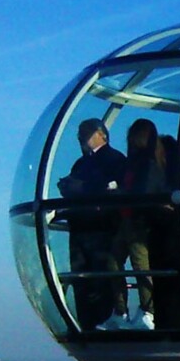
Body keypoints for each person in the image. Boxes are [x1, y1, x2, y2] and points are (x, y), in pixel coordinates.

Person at [101, 118, 171, 331]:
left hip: (138, 222)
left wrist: (119, 193)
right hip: (129, 220)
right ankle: (122, 311)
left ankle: (147, 312)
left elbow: (144, 192)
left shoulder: (147, 164)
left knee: (140, 267)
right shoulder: (141, 163)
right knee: (117, 262)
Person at [57, 119, 126, 330]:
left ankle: (100, 321)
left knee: (99, 279)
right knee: (82, 279)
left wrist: (82, 187)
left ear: (101, 134)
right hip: (82, 228)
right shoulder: (82, 163)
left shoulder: (114, 159)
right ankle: (87, 323)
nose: (80, 138)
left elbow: (114, 189)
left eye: (85, 133)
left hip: (100, 229)